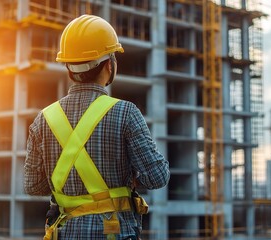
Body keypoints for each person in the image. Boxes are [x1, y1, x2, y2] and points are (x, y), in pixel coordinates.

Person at [24, 14, 170, 240]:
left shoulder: (43, 119)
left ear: (69, 68)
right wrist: (130, 178)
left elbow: (33, 186)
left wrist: (70, 186)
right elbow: (158, 176)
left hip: (64, 234)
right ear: (109, 65)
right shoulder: (126, 113)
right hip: (114, 233)